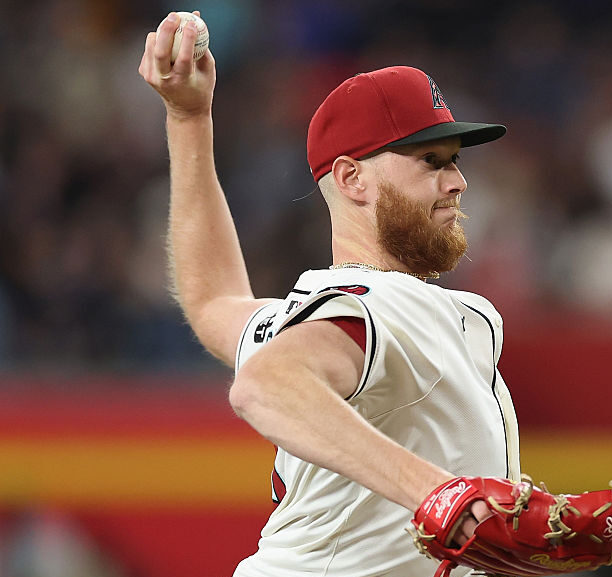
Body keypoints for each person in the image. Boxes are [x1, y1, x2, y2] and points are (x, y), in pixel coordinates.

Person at [139, 12, 520, 577]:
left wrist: (188, 117)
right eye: (430, 161)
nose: (457, 181)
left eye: (456, 160)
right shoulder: (376, 306)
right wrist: (438, 494)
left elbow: (213, 301)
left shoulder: (309, 316)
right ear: (351, 179)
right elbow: (264, 387)